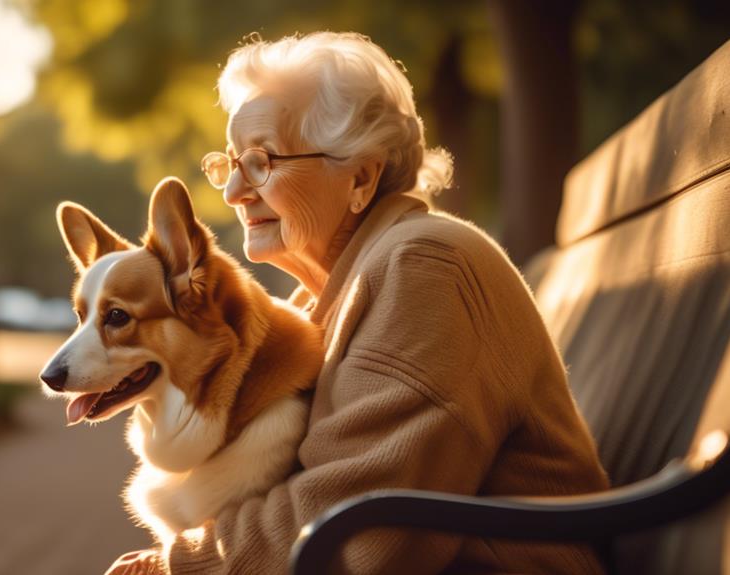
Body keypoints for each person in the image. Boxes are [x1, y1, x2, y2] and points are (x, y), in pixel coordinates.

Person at [107, 31, 609, 574]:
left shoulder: (424, 266)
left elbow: (362, 523)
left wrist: (178, 566)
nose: (233, 192)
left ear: (361, 177)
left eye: (261, 161)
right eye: (228, 163)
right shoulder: (334, 293)